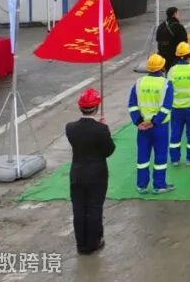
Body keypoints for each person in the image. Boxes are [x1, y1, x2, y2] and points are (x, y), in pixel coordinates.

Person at [66, 88, 115, 255]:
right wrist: (104, 129)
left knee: (79, 208)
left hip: (77, 173)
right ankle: (93, 242)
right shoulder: (101, 129)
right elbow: (109, 150)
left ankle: (81, 244)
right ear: (97, 107)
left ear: (80, 107)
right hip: (97, 174)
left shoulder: (70, 128)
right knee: (94, 208)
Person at [127, 54, 174, 194]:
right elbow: (166, 107)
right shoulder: (166, 84)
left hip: (142, 127)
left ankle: (141, 185)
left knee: (143, 156)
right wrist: (154, 122)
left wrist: (138, 121)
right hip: (160, 127)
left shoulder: (138, 83)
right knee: (160, 156)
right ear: (162, 68)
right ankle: (159, 185)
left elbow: (132, 105)